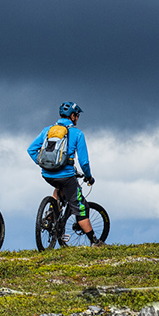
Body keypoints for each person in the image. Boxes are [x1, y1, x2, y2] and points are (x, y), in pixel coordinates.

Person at [27, 102, 103, 246]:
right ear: (73, 116)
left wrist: (43, 164)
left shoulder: (47, 130)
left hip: (47, 174)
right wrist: (88, 177)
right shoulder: (77, 133)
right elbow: (84, 162)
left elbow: (31, 150)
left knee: (58, 187)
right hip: (66, 175)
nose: (77, 118)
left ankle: (50, 216)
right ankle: (95, 242)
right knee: (80, 207)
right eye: (77, 116)